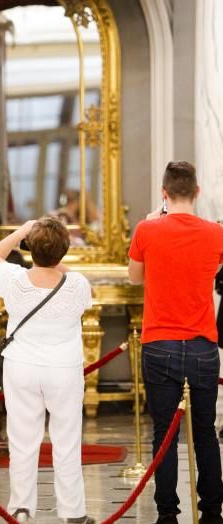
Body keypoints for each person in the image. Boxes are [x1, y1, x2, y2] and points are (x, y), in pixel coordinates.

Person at [128, 161, 223, 524]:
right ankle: (212, 511)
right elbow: (212, 271)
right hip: (201, 344)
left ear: (164, 193)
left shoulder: (147, 229)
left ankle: (168, 512)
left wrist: (154, 222)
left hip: (160, 342)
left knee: (163, 434)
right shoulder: (216, 233)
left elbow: (135, 278)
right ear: (197, 192)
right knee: (205, 433)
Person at [0, 216, 94, 524]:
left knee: (22, 441)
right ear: (63, 251)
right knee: (67, 442)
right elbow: (69, 278)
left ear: (30, 248)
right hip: (63, 370)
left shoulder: (14, 279)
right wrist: (54, 258)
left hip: (21, 368)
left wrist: (21, 231)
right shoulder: (77, 284)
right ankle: (73, 513)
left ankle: (21, 508)